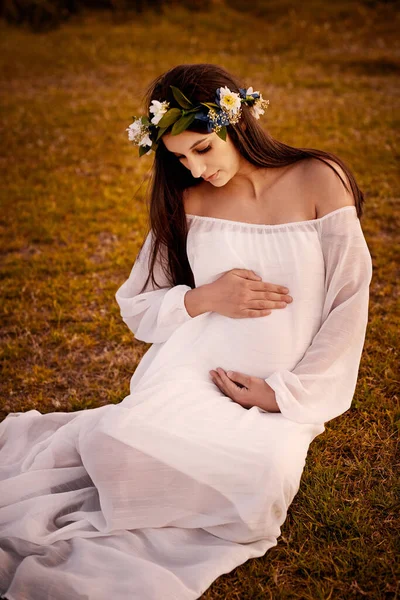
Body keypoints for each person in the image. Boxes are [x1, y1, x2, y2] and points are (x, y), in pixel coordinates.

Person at [0, 63, 373, 600]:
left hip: (277, 385)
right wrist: (206, 298)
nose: (194, 169)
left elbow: (347, 299)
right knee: (116, 447)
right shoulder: (188, 200)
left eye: (201, 148)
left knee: (260, 480)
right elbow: (138, 306)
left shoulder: (318, 178)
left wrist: (282, 394)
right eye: (178, 157)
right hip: (197, 370)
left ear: (234, 121)